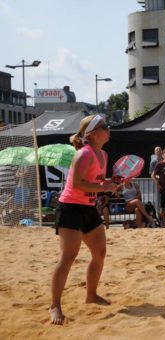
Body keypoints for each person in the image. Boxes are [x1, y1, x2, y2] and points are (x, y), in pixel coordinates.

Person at [50, 114, 117, 325]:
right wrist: (103, 187)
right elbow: (78, 184)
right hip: (70, 208)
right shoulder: (83, 154)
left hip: (88, 208)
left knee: (100, 252)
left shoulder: (103, 155)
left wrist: (111, 182)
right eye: (104, 126)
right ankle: (55, 306)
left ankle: (91, 295)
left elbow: (96, 180)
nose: (109, 129)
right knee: (68, 257)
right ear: (92, 134)